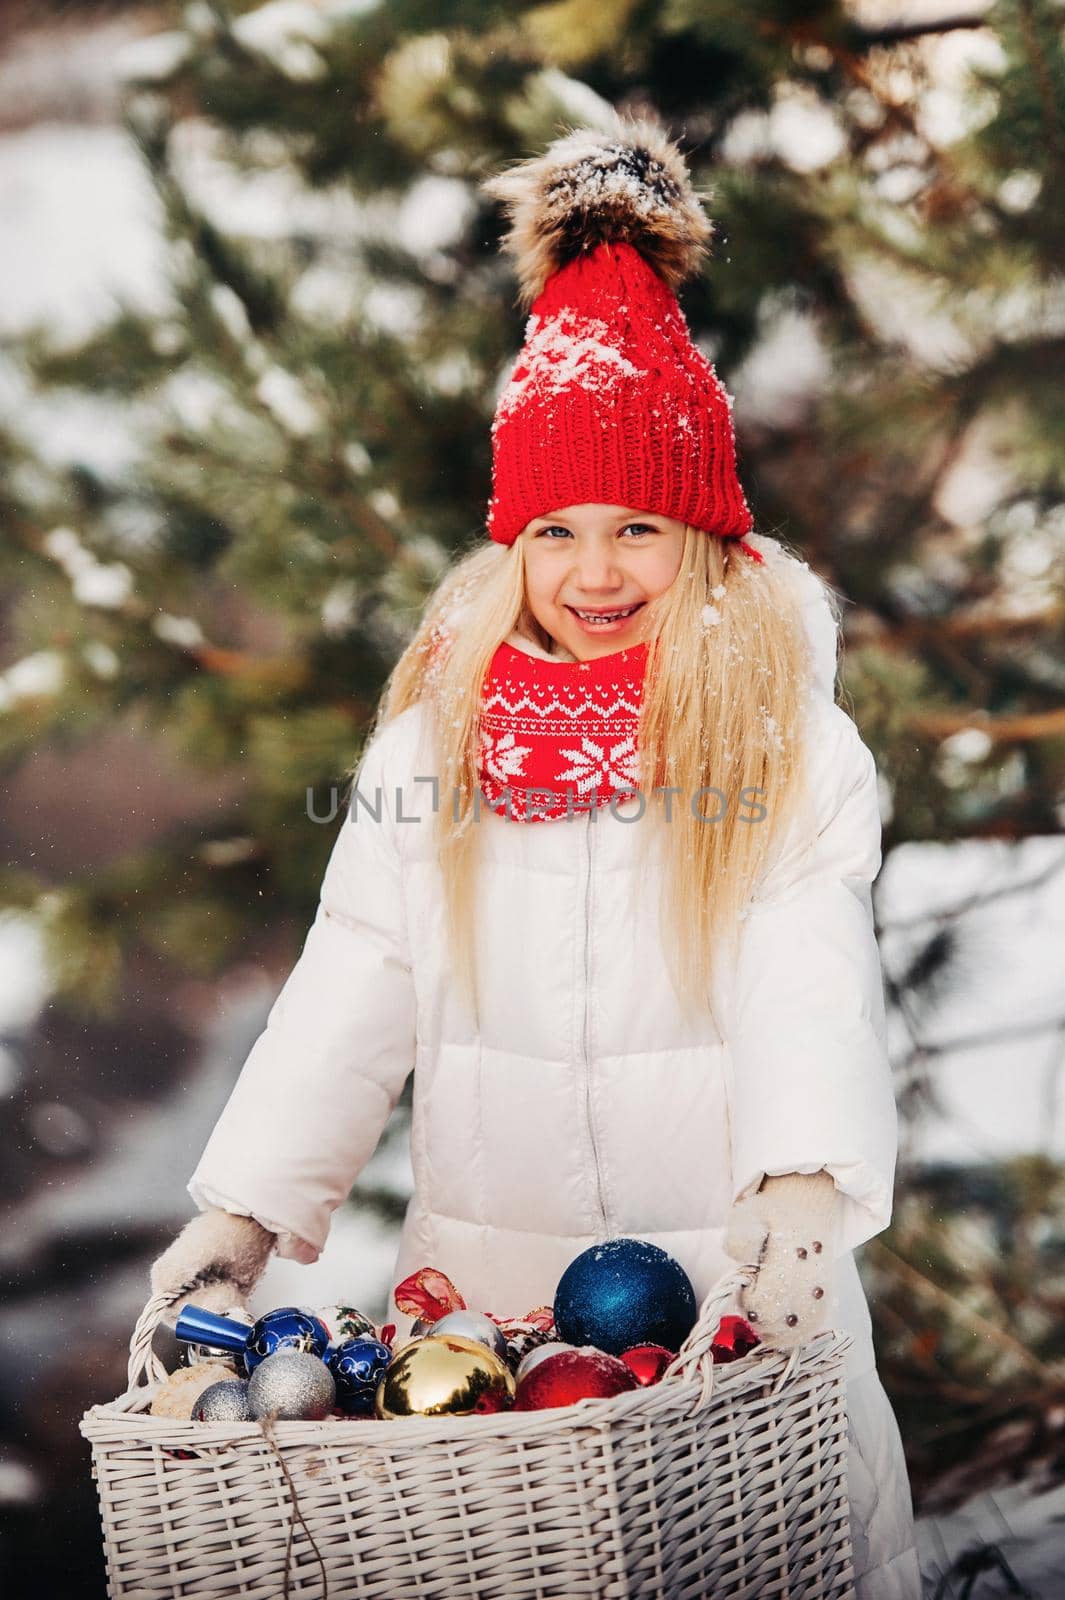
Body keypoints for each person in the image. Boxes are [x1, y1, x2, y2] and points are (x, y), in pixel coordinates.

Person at [149, 116, 920, 1597]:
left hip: (730, 1315)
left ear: (701, 533)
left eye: (638, 525)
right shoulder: (439, 745)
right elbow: (355, 983)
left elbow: (803, 970)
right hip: (484, 1327)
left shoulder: (775, 746)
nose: (595, 573)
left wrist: (800, 1200)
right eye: (554, 532)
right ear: (509, 547)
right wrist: (242, 1215)